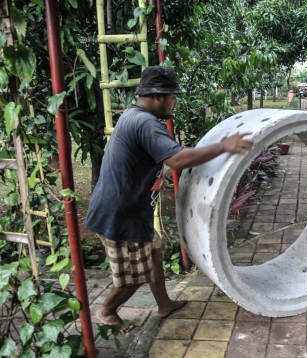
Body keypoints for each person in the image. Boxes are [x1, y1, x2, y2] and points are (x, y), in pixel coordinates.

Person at [85, 66, 254, 332]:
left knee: (153, 253)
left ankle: (164, 304)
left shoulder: (133, 115)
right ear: (158, 95)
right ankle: (106, 312)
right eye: (172, 96)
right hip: (120, 214)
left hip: (131, 210)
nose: (174, 102)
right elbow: (176, 160)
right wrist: (224, 146)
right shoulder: (145, 122)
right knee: (132, 277)